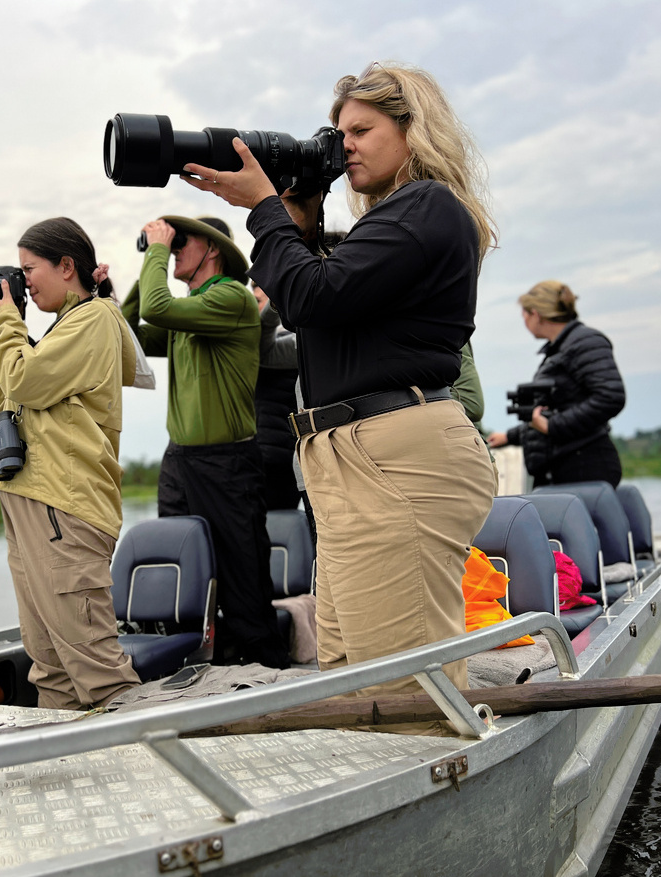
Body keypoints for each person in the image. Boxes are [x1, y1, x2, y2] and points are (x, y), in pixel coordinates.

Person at [180, 63, 497, 734]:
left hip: (397, 457)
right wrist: (293, 216)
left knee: (403, 688)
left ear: (414, 131)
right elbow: (320, 302)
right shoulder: (393, 223)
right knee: (355, 675)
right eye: (339, 131)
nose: (344, 143)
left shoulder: (430, 206)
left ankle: (431, 811)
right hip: (353, 457)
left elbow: (309, 295)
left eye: (362, 129)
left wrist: (266, 211)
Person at [0, 217, 140, 711]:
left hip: (63, 509)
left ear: (66, 266)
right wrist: (13, 324)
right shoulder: (64, 326)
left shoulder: (93, 319)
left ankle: (145, 773)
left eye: (29, 269)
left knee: (95, 669)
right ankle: (73, 771)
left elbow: (24, 383)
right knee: (49, 666)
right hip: (33, 500)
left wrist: (6, 319)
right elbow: (6, 393)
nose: (22, 281)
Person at [121, 215, 289, 669]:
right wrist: (145, 260)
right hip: (180, 460)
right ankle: (200, 665)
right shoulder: (189, 309)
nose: (173, 249)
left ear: (212, 249)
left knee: (243, 579)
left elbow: (157, 308)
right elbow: (132, 332)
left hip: (227, 461)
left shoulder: (231, 297)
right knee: (187, 564)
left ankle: (266, 671)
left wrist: (157, 251)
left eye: (181, 242)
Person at [488, 280, 626, 487]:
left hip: (583, 467)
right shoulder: (562, 347)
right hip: (564, 468)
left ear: (535, 313)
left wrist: (553, 426)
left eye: (524, 315)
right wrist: (509, 436)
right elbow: (556, 409)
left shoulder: (584, 342)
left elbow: (610, 397)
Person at [252, 282, 300, 511]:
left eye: (260, 303)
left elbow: (262, 348)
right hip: (262, 455)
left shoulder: (293, 344)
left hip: (278, 457)